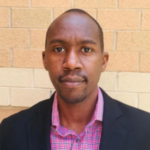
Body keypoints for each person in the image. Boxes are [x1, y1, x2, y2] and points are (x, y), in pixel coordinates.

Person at [0, 9, 150, 150]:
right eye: (59, 49)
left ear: (103, 61)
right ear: (45, 60)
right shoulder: (10, 132)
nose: (71, 63)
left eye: (86, 49)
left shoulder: (144, 131)